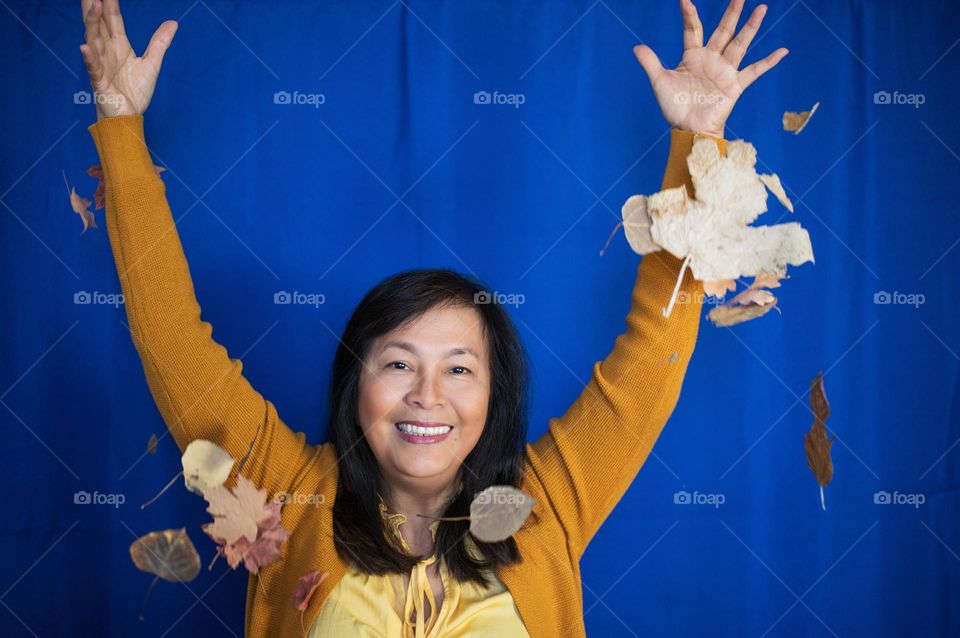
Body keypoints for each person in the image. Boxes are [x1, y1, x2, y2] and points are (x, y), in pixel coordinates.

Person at [79, 0, 786, 636]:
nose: (427, 394)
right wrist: (120, 126)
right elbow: (171, 337)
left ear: (494, 393)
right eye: (397, 363)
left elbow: (653, 349)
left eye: (459, 368)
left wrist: (698, 144)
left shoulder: (549, 506)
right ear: (357, 385)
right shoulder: (288, 499)